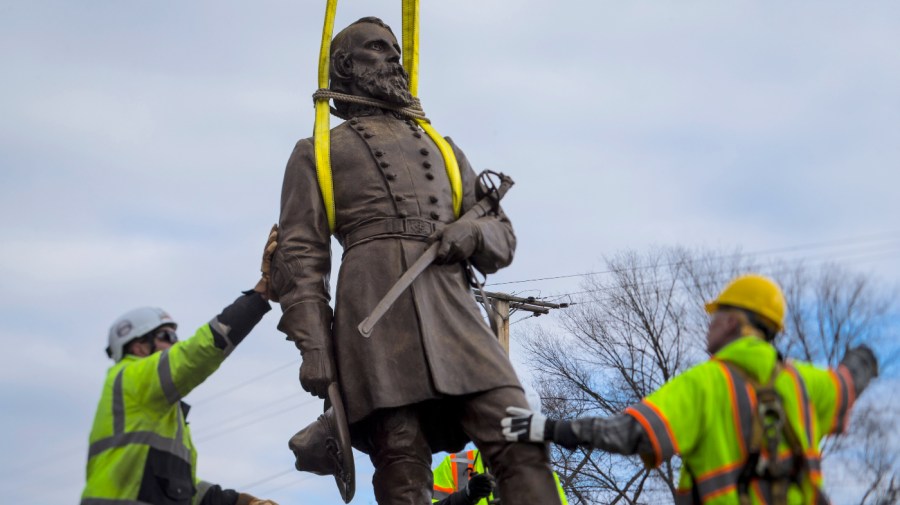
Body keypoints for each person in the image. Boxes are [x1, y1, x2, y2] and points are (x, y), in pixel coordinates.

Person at [272, 16, 561, 504]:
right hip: (374, 317)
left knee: (517, 434)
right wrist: (313, 346)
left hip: (452, 309)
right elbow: (300, 257)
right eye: (379, 50)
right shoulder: (318, 151)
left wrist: (470, 231)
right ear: (345, 65)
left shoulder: (443, 149)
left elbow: (502, 238)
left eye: (396, 51)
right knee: (401, 459)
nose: (394, 60)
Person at [502, 274, 879, 504]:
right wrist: (861, 359)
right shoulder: (807, 383)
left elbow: (630, 434)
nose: (708, 325)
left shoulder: (706, 383)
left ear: (733, 322)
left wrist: (546, 428)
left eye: (715, 316)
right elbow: (853, 379)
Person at [81, 227, 280, 505]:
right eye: (166, 336)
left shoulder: (157, 414)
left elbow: (180, 489)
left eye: (175, 336)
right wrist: (259, 297)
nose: (175, 343)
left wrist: (238, 503)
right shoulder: (130, 377)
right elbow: (194, 354)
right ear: (137, 347)